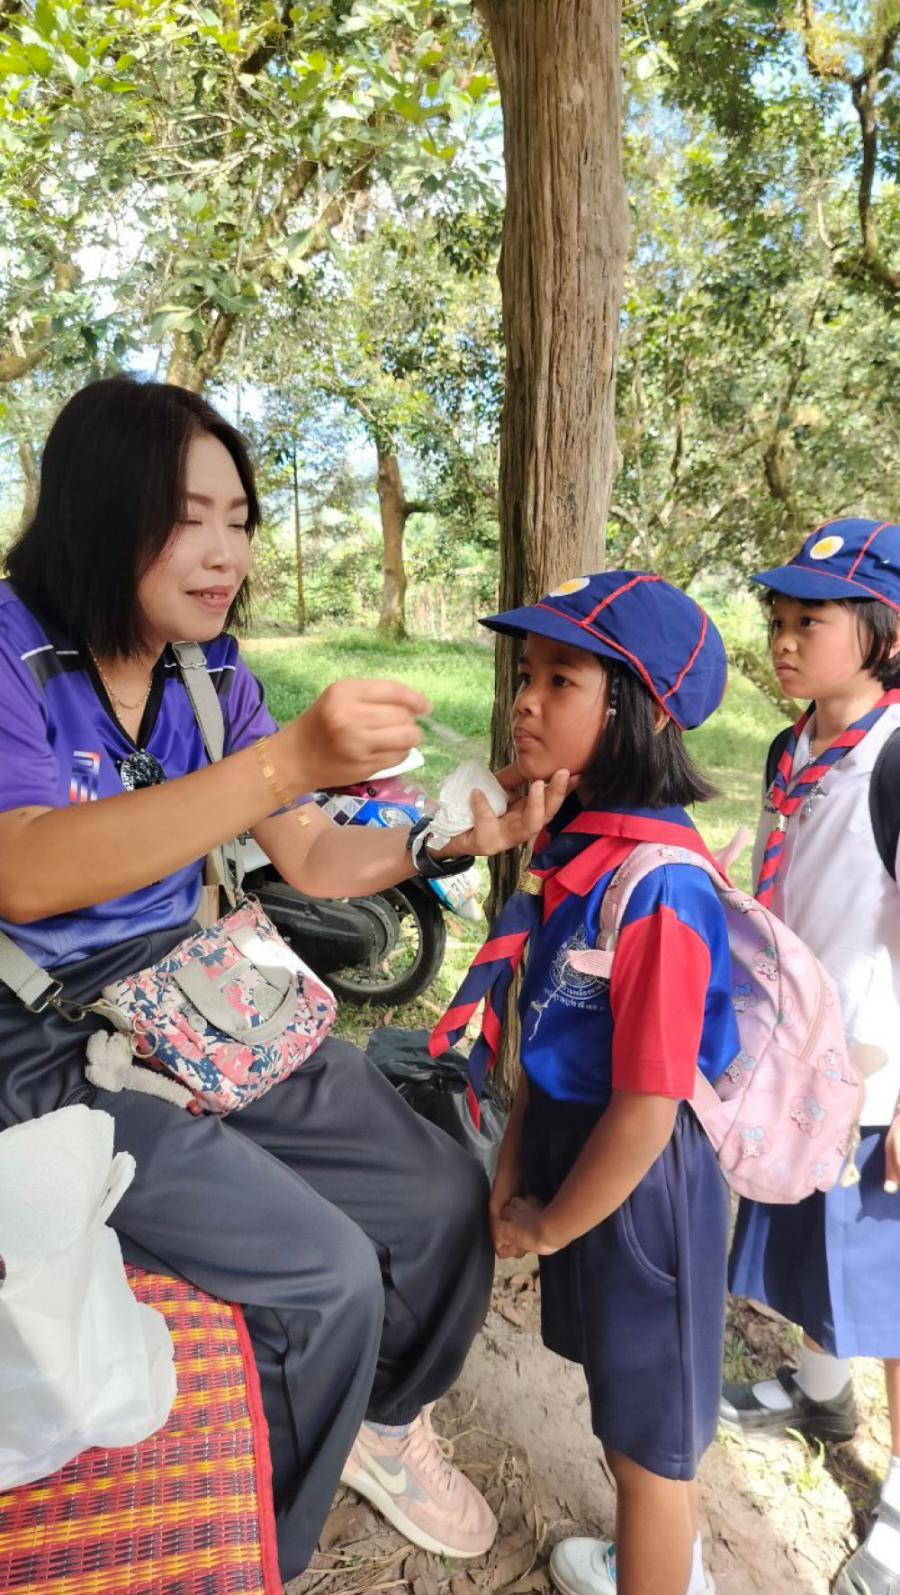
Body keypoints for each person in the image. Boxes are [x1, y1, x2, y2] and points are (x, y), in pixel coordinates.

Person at [0, 374, 572, 1580]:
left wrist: (441, 842)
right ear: (99, 509)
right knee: (322, 1275)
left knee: (437, 1193)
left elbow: (309, 853)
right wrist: (285, 761)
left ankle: (378, 1419)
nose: (226, 553)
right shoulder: (12, 653)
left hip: (192, 987)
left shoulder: (207, 674)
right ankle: (262, 1537)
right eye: (187, 518)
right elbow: (27, 870)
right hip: (44, 1029)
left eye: (240, 520)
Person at [431, 572, 739, 1595]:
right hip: (576, 1144)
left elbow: (649, 1106)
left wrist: (553, 1223)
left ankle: (660, 1572)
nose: (523, 701)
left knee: (655, 1454)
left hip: (640, 1187)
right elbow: (550, 1028)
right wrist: (516, 1166)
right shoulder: (580, 849)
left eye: (560, 679)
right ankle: (645, 1561)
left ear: (638, 712)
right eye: (526, 673)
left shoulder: (659, 889)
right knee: (623, 1407)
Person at [722, 518, 900, 1595]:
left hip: (876, 1085)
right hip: (799, 1070)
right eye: (778, 618)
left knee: (891, 1299)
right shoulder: (794, 747)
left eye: (811, 622)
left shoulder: (896, 755)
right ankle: (822, 1395)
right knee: (810, 1256)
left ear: (886, 634)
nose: (783, 640)